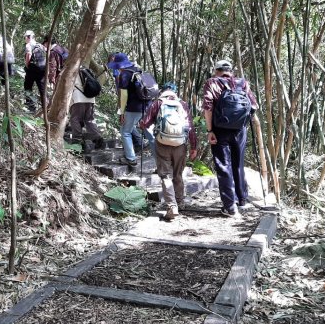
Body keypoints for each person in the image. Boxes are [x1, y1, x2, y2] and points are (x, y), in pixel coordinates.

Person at [202, 59, 258, 218]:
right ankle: (243, 200)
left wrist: (210, 130)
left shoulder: (212, 82)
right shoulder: (242, 83)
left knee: (223, 166)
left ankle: (230, 207)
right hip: (240, 130)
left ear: (216, 70)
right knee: (238, 165)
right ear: (230, 71)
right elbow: (254, 106)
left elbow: (208, 107)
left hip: (220, 130)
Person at [139, 82, 197, 221]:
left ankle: (172, 206)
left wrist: (142, 124)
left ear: (162, 91)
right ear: (175, 92)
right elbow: (190, 127)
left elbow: (145, 123)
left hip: (162, 144)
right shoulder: (182, 104)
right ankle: (180, 201)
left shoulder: (157, 103)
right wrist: (194, 146)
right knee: (177, 174)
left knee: (165, 176)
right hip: (180, 145)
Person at [107, 52, 156, 167]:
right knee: (150, 135)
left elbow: (124, 96)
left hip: (134, 107)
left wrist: (122, 112)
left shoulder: (124, 74)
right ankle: (161, 162)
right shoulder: (138, 70)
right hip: (148, 106)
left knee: (125, 131)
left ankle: (131, 159)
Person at [69, 67, 105, 151]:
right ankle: (98, 140)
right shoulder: (85, 70)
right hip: (90, 98)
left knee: (75, 119)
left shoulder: (71, 70)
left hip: (78, 98)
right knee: (89, 119)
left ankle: (77, 142)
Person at [23, 30, 46, 112]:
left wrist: (27, 65)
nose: (25, 38)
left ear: (28, 37)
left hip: (32, 69)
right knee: (42, 89)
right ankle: (45, 107)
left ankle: (31, 107)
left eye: (25, 37)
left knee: (27, 86)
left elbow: (29, 54)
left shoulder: (28, 45)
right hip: (42, 69)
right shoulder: (40, 45)